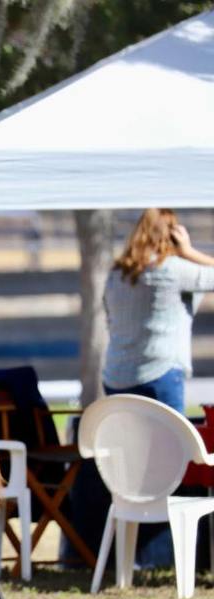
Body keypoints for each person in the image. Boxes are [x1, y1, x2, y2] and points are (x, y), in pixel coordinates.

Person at [102, 209, 214, 567]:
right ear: (171, 236)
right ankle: (163, 556)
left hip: (116, 377)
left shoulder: (117, 275)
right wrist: (190, 251)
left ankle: (133, 553)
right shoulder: (173, 269)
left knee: (130, 467)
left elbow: (109, 317)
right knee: (170, 466)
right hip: (161, 373)